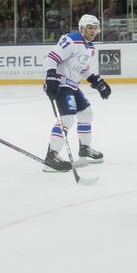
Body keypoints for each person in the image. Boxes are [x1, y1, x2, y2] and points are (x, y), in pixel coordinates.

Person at [42, 13, 110, 172]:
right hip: (59, 84)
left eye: (95, 28)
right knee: (66, 119)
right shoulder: (72, 40)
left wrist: (96, 80)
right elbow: (50, 58)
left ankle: (84, 148)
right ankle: (51, 156)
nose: (92, 31)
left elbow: (83, 69)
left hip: (72, 85)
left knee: (86, 114)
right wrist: (51, 77)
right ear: (82, 28)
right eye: (89, 28)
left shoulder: (90, 48)